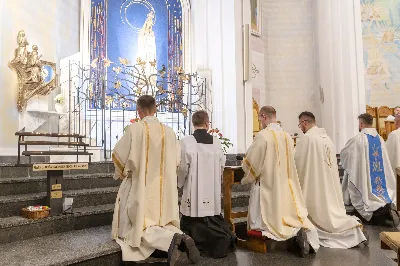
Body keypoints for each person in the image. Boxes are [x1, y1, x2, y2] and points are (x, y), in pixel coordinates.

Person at [111, 95, 200, 265]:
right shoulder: (170, 132)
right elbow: (177, 162)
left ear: (139, 111)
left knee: (136, 227)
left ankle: (174, 239)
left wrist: (122, 174)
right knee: (163, 221)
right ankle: (178, 237)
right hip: (164, 189)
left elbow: (119, 158)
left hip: (140, 187)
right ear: (155, 109)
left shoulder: (135, 130)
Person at [242, 106, 320, 257]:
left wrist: (245, 168)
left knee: (264, 222)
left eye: (259, 119)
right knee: (284, 214)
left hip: (267, 185)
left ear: (263, 116)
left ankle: (290, 233)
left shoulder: (263, 136)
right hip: (285, 185)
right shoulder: (287, 136)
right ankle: (297, 230)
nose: (260, 123)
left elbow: (252, 163)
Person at [294, 111, 368, 248]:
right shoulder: (327, 139)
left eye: (300, 125)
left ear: (304, 123)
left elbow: (297, 163)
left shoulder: (307, 139)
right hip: (329, 187)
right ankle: (352, 228)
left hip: (315, 186)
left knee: (319, 218)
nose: (300, 128)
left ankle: (351, 230)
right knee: (333, 213)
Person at [178, 110, 237, 258]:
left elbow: (182, 167)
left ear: (193, 124)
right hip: (211, 190)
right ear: (207, 124)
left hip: (193, 191)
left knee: (191, 217)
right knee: (211, 217)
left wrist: (179, 182)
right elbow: (222, 165)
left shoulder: (186, 142)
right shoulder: (216, 142)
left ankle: (191, 241)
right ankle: (218, 242)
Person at [341, 113, 399, 227]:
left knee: (364, 198)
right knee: (378, 196)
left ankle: (378, 214)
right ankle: (385, 207)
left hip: (364, 177)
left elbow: (344, 155)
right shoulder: (380, 139)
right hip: (379, 179)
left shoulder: (357, 139)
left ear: (361, 124)